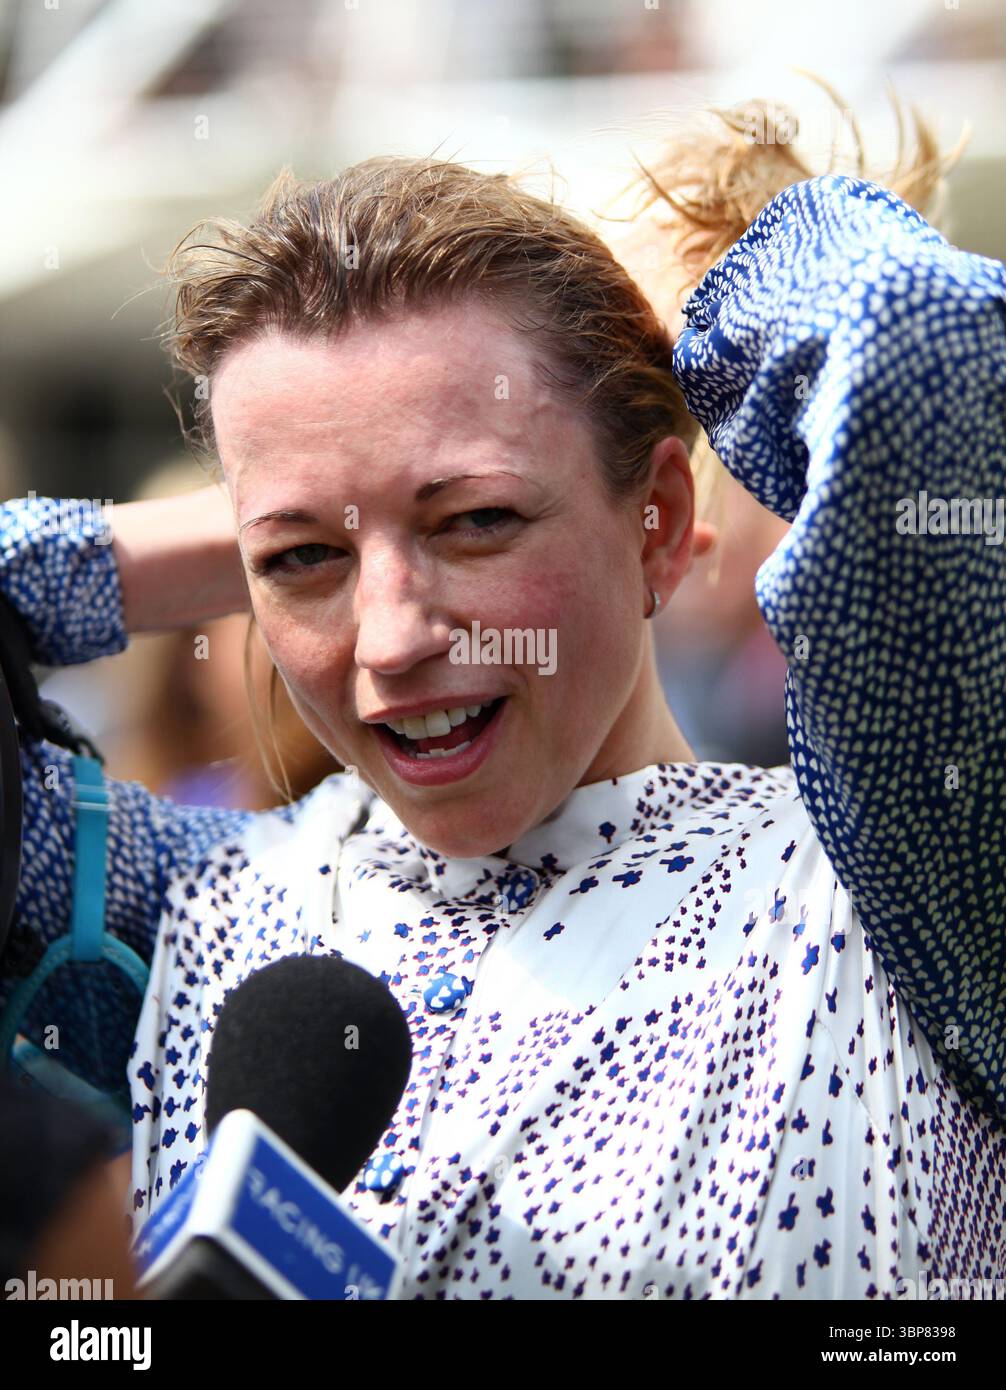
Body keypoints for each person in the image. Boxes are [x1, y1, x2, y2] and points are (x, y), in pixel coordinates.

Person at [1, 92, 1004, 1300]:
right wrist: (282, 505)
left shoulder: (894, 880)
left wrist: (691, 324)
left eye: (476, 519)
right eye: (300, 562)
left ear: (662, 525)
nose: (391, 639)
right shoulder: (190, 906)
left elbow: (926, 353)